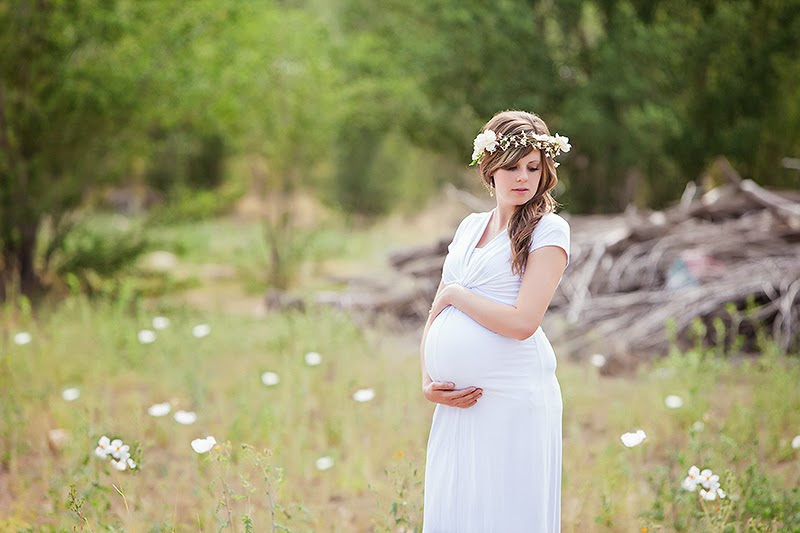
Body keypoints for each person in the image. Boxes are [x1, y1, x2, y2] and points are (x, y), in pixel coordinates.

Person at [420, 110, 571, 532]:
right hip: (458, 405)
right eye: (512, 166)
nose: (522, 177)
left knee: (503, 512)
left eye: (532, 167)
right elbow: (437, 312)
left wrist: (456, 295)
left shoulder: (549, 231)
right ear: (489, 169)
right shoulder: (469, 228)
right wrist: (428, 380)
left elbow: (524, 321)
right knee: (458, 508)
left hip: (512, 397)